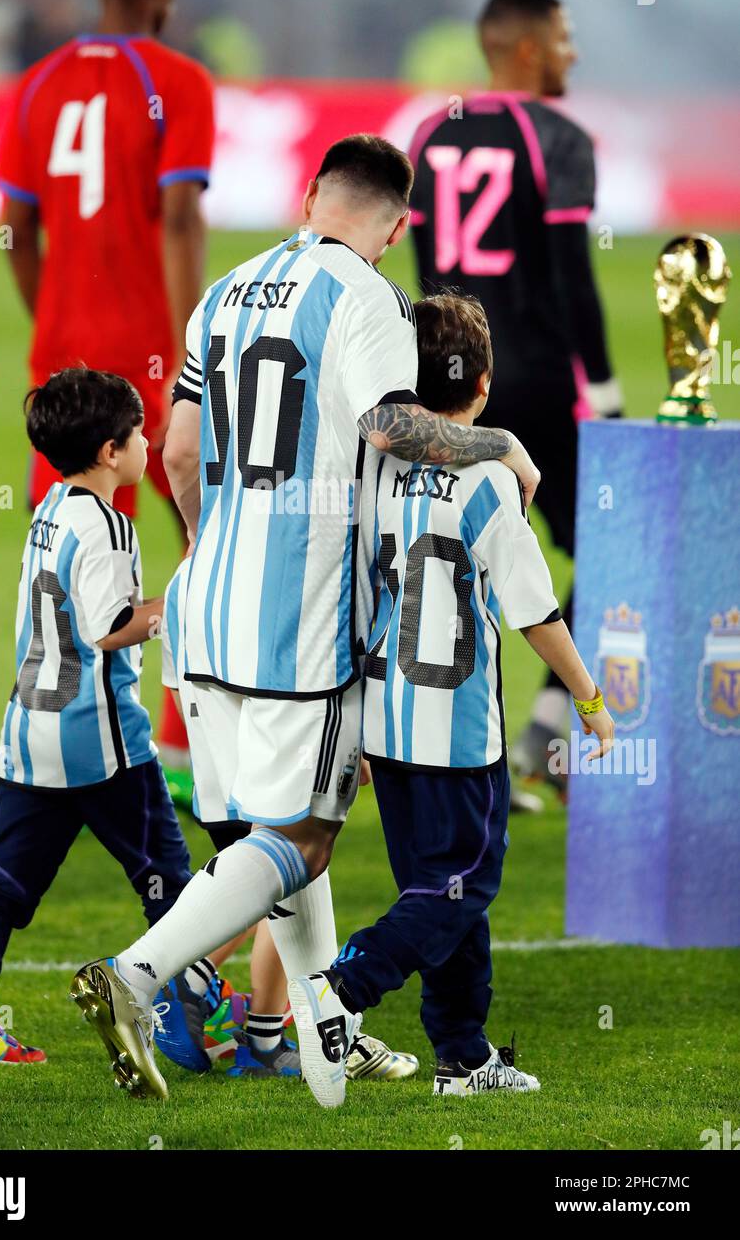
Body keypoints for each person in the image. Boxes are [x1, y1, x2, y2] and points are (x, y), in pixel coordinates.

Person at [70, 133, 540, 1101]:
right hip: (296, 616)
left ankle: (301, 1039)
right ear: (396, 223)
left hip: (203, 604)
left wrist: (213, 545)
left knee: (273, 828)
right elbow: (391, 425)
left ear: (311, 191)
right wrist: (501, 441)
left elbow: (175, 448)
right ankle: (146, 974)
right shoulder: (362, 295)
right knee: (306, 835)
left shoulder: (226, 291)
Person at [289, 292, 615, 1108]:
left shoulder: (380, 472)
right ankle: (337, 991)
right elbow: (537, 611)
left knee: (446, 896)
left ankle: (463, 1058)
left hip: (389, 725)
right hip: (459, 736)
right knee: (456, 890)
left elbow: (356, 596)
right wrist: (590, 700)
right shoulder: (490, 484)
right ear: (484, 382)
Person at [0, 0, 213, 773]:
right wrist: (195, 354)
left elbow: (13, 225)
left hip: (66, 363)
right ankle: (184, 738)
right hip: (154, 368)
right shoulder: (179, 80)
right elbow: (183, 214)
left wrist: (48, 320)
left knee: (64, 559)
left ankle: (62, 752)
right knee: (211, 537)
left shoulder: (38, 83)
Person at [0, 369, 193, 1070]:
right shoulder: (107, 525)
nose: (149, 441)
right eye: (139, 433)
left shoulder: (50, 507)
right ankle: (202, 1018)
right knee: (168, 878)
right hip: (100, 740)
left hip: (30, 735)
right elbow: (109, 627)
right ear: (111, 451)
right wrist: (182, 608)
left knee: (5, 887)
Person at [407, 0, 621, 803]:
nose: (572, 53)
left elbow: (428, 272)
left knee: (457, 562)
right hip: (535, 382)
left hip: (453, 385)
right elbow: (572, 274)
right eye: (564, 39)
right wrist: (601, 389)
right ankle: (545, 729)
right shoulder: (557, 136)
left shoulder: (431, 131)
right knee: (607, 542)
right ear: (527, 48)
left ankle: (457, 754)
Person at [158, 559, 419, 1082]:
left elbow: (187, 471)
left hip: (207, 607)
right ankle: (189, 977)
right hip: (271, 626)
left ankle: (261, 1027)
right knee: (292, 846)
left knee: (275, 846)